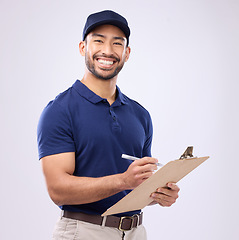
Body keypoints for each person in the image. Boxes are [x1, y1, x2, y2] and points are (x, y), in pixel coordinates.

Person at [37, 10, 180, 240]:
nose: (107, 50)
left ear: (127, 53)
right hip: (84, 232)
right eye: (98, 40)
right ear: (83, 47)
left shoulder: (140, 114)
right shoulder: (60, 110)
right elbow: (58, 190)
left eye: (117, 43)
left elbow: (137, 186)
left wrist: (158, 195)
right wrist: (123, 180)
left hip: (135, 233)